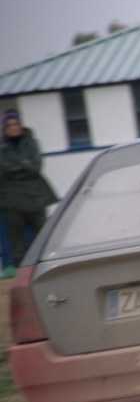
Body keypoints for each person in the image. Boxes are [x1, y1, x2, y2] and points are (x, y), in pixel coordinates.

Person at [0, 110, 58, 278]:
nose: (13, 128)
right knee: (16, 239)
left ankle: (46, 267)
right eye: (9, 125)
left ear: (21, 124)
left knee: (42, 235)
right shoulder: (2, 148)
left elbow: (36, 167)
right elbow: (3, 170)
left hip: (35, 197)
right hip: (11, 199)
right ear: (4, 128)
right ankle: (20, 272)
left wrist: (17, 167)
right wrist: (24, 164)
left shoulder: (32, 143)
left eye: (16, 124)